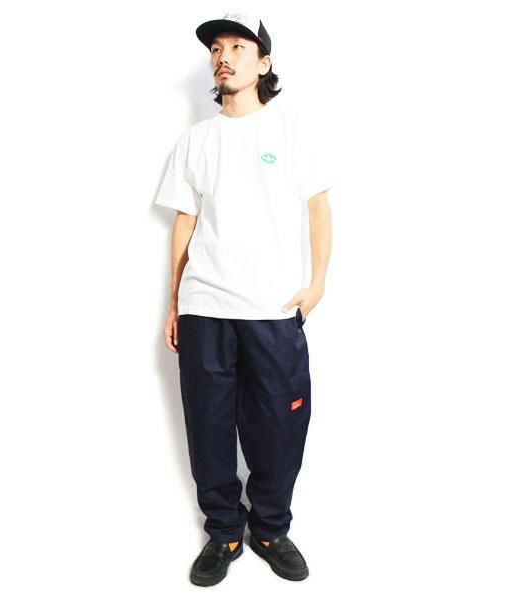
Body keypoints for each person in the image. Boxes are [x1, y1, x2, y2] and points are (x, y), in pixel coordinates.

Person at [154, 13, 333, 586]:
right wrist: (175, 304)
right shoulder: (195, 140)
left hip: (272, 309)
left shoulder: (291, 130)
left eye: (237, 46)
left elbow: (318, 209)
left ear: (263, 62)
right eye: (216, 48)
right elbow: (185, 224)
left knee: (280, 427)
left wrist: (318, 283)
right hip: (205, 307)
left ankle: (271, 528)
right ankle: (225, 531)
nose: (223, 56)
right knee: (207, 427)